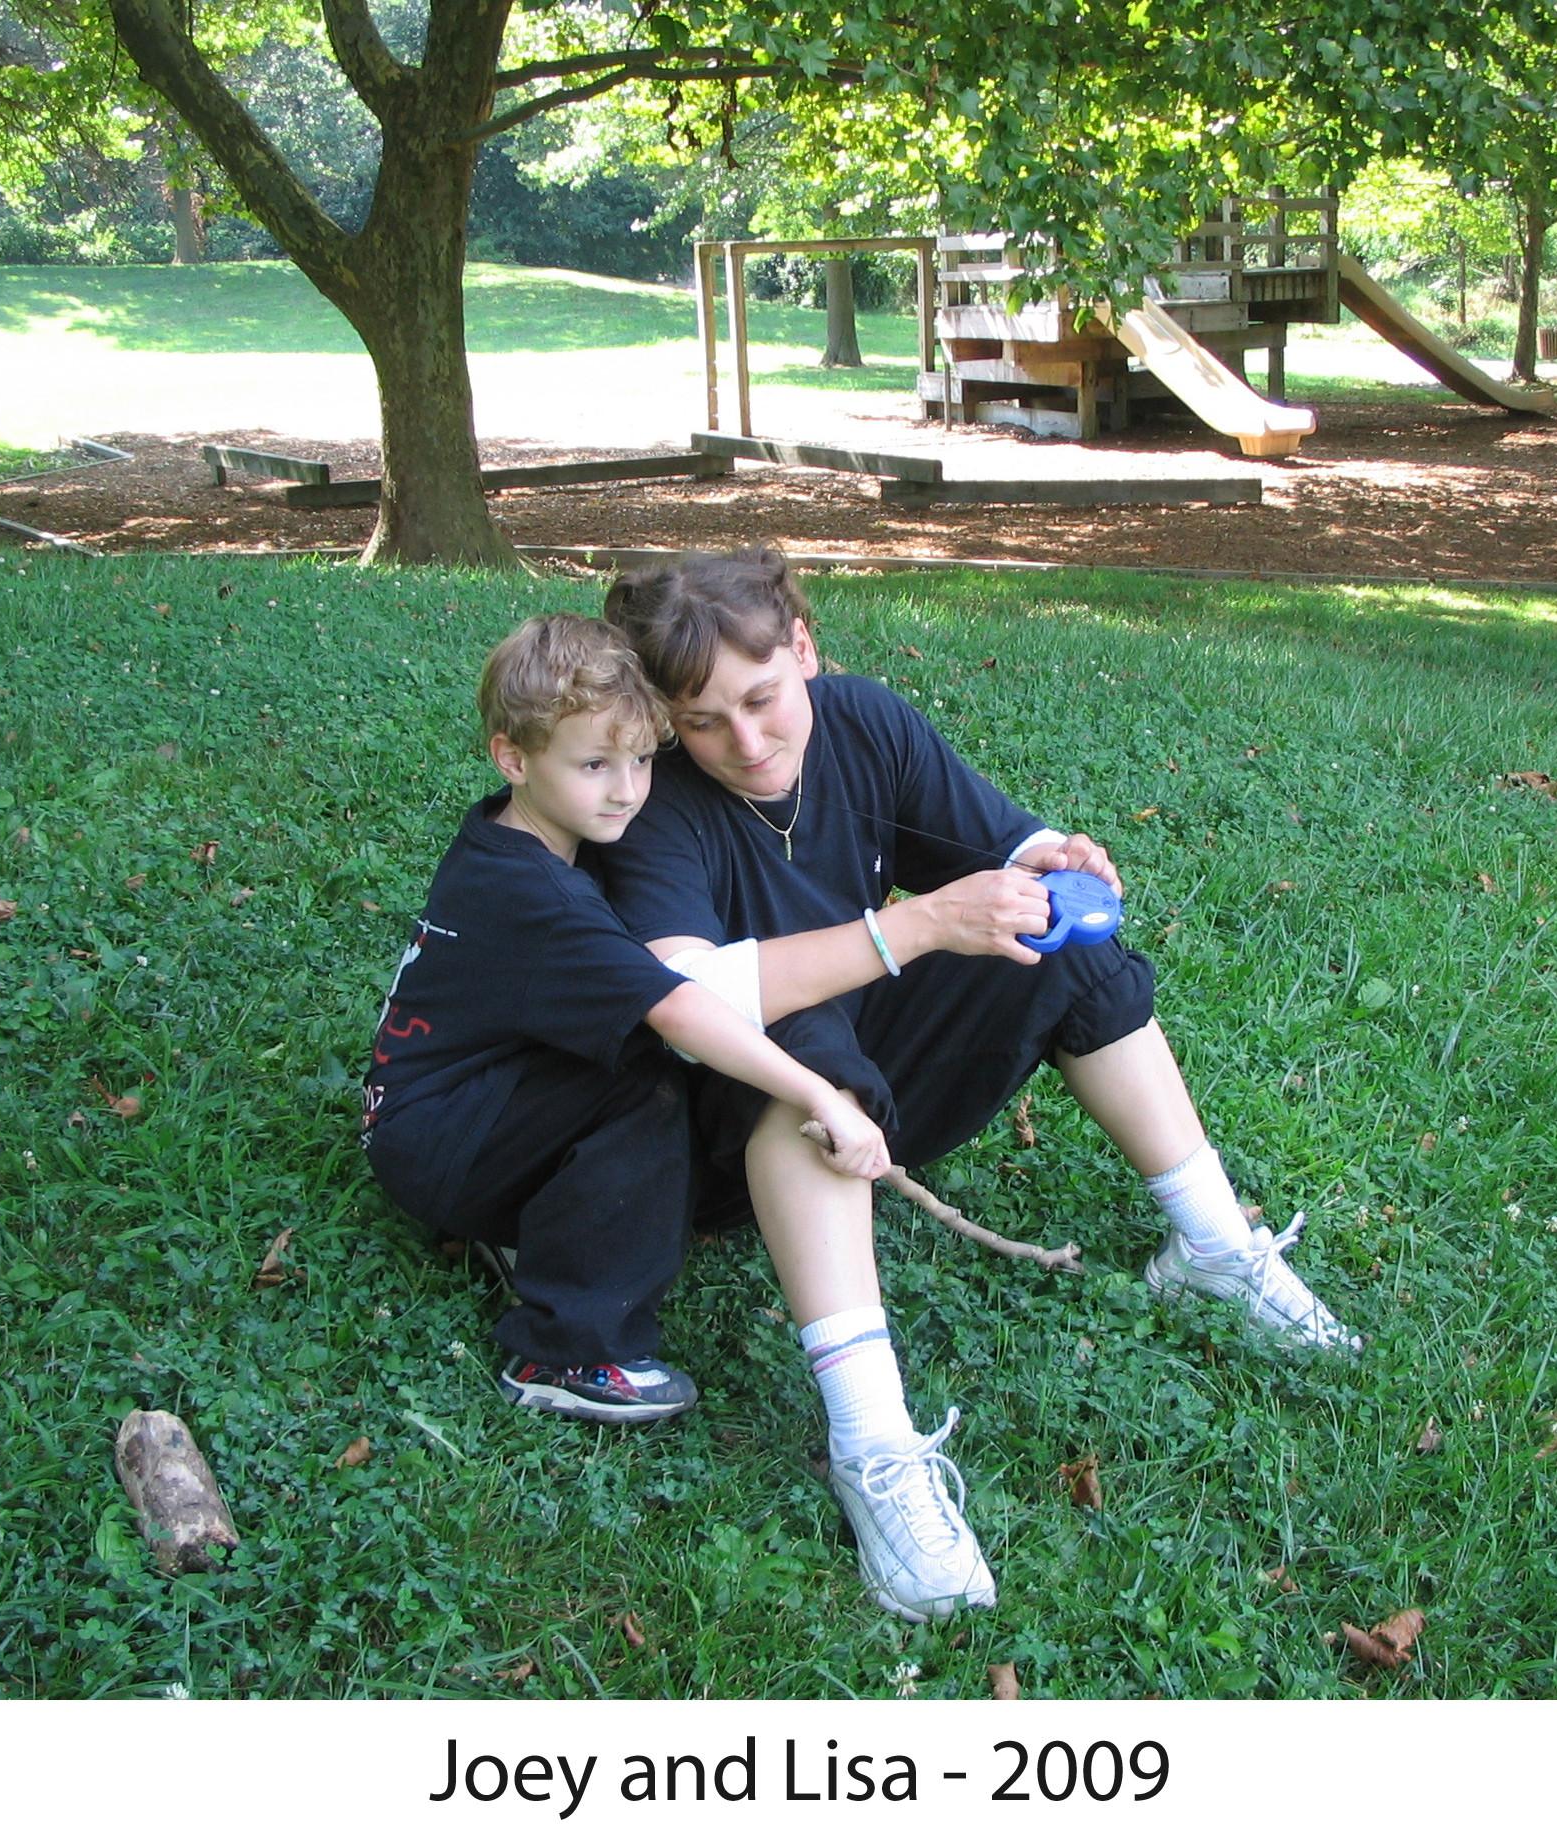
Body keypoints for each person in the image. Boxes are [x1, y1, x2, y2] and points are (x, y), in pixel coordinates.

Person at [597, 550, 1359, 1619]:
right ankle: (872, 1446)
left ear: (804, 648)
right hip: (715, 1137)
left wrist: (1056, 855)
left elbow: (999, 841)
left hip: (865, 1078)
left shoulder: (861, 722)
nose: (749, 742)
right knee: (803, 1040)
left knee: (1055, 941)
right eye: (704, 720)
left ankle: (1211, 1244)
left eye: (764, 698)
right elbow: (682, 993)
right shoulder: (658, 805)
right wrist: (910, 924)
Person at [361, 614, 890, 1428]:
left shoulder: (512, 839)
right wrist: (816, 1091)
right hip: (439, 1139)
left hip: (435, 1109)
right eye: (595, 765)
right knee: (641, 1088)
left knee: (626, 1071)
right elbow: (681, 1012)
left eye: (643, 760)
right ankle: (565, 1351)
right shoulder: (540, 898)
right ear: (513, 758)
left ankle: (533, 1229)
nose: (628, 790)